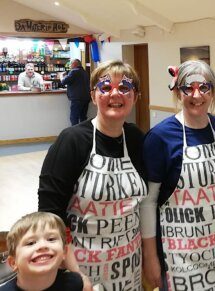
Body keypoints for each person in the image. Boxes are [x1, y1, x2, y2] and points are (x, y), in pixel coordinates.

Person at [38, 60, 148, 290]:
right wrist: (75, 275)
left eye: (124, 88)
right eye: (105, 87)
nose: (114, 94)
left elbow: (143, 206)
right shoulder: (71, 140)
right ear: (93, 94)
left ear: (135, 96)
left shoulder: (137, 139)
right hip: (82, 270)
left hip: (129, 269)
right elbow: (50, 215)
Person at [141, 60, 215, 290]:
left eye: (204, 87)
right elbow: (148, 202)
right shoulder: (160, 137)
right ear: (178, 91)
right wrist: (151, 258)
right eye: (188, 88)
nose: (197, 95)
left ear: (212, 91)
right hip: (181, 260)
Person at [2, 212, 83, 291]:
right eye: (31, 243)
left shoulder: (74, 283)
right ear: (13, 262)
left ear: (64, 252)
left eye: (51, 239)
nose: (43, 246)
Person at [60, 59, 90, 125]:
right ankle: (83, 133)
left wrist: (61, 76)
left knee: (74, 118)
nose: (70, 66)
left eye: (71, 64)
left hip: (77, 99)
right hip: (86, 98)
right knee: (83, 117)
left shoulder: (74, 71)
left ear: (75, 64)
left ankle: (75, 134)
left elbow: (63, 82)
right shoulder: (85, 72)